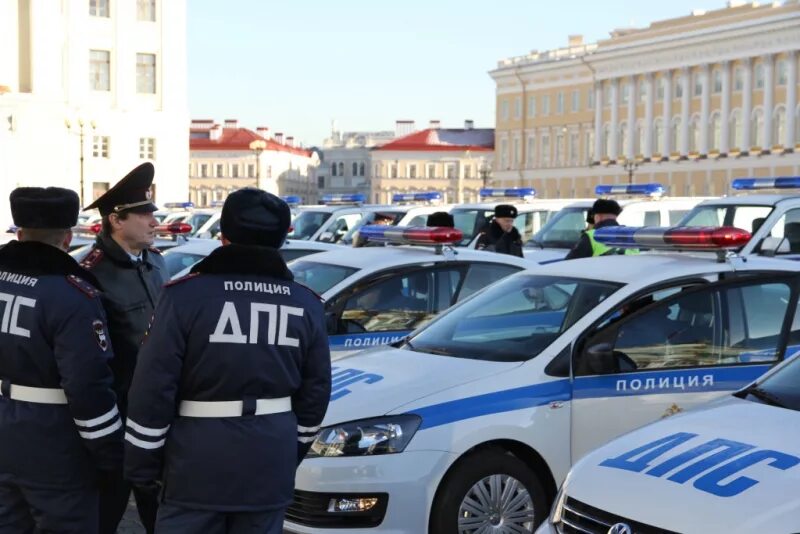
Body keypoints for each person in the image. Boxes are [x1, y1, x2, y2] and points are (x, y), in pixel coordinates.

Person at [124, 188, 332, 533]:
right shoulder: (306, 303)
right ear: (282, 241)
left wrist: (142, 464)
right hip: (270, 459)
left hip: (194, 463)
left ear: (223, 237)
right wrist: (288, 448)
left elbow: (153, 387)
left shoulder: (185, 296)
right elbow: (316, 393)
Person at [0, 187, 122, 533]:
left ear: (19, 234)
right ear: (68, 238)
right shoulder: (72, 294)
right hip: (53, 439)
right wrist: (110, 453)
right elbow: (86, 385)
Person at [80, 162, 166, 533]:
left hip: (156, 416)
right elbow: (86, 362)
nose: (154, 222)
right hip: (114, 421)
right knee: (104, 513)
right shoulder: (89, 274)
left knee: (160, 516)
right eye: (145, 214)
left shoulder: (156, 264)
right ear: (117, 219)